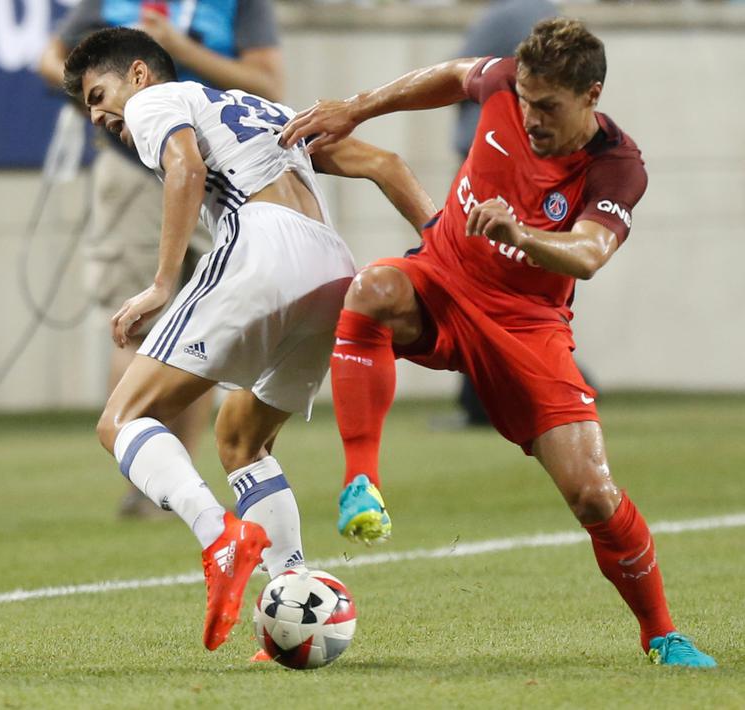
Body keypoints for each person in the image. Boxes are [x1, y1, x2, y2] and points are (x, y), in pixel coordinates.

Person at [280, 18, 716, 668]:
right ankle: (359, 482)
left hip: (526, 326)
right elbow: (452, 76)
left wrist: (522, 235)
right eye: (524, 101)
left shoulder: (615, 167)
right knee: (370, 290)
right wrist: (357, 107)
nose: (530, 116)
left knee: (593, 494)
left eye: (548, 106)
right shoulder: (505, 81)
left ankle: (660, 633)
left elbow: (590, 254)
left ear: (590, 95)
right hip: (441, 277)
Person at [63, 28, 434, 651]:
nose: (102, 116)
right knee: (241, 440)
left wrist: (161, 286)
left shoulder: (156, 101)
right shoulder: (263, 110)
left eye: (101, 95)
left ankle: (218, 536)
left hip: (261, 241)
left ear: (137, 74)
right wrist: (441, 242)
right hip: (330, 271)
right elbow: (385, 165)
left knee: (121, 420)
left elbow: (185, 167)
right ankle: (291, 590)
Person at [39, 0, 283, 518]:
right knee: (138, 324)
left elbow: (269, 82)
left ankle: (178, 482)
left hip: (220, 174)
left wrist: (181, 49)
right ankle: (149, 481)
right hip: (135, 175)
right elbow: (52, 59)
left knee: (204, 334)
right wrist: (103, 98)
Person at [448, 0, 558, 428]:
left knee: (477, 282)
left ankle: (492, 400)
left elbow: (458, 74)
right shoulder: (542, 12)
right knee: (507, 282)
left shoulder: (507, 15)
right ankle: (494, 396)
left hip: (491, 162)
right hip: (517, 163)